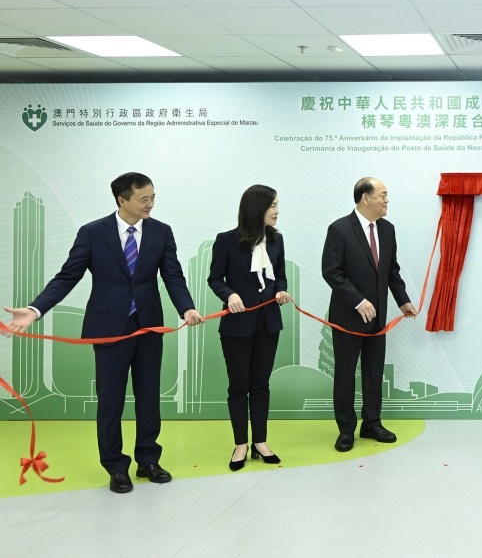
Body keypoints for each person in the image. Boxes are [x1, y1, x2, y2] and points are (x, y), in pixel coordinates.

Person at [3, 173, 202, 494]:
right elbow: (67, 276)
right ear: (122, 200)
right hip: (109, 329)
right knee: (110, 401)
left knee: (149, 398)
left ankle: (148, 459)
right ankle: (116, 466)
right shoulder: (93, 233)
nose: (151, 204)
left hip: (148, 327)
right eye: (144, 199)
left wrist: (187, 308)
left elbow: (173, 275)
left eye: (153, 197)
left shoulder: (161, 232)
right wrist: (35, 309)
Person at [322, 177, 417, 453]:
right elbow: (331, 272)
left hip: (378, 318)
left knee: (374, 372)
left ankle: (372, 423)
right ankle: (346, 430)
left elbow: (391, 270)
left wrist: (403, 300)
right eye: (382, 195)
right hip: (348, 317)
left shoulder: (387, 229)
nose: (387, 200)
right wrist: (358, 301)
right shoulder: (339, 229)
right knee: (345, 374)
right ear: (365, 198)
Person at [208, 185, 292, 471]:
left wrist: (281, 291)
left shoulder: (277, 240)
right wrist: (229, 295)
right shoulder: (226, 241)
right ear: (257, 209)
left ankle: (260, 442)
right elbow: (215, 278)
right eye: (272, 206)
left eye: (277, 205)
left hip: (269, 323)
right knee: (238, 386)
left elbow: (280, 276)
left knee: (260, 385)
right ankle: (240, 444)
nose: (277, 211)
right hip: (237, 326)